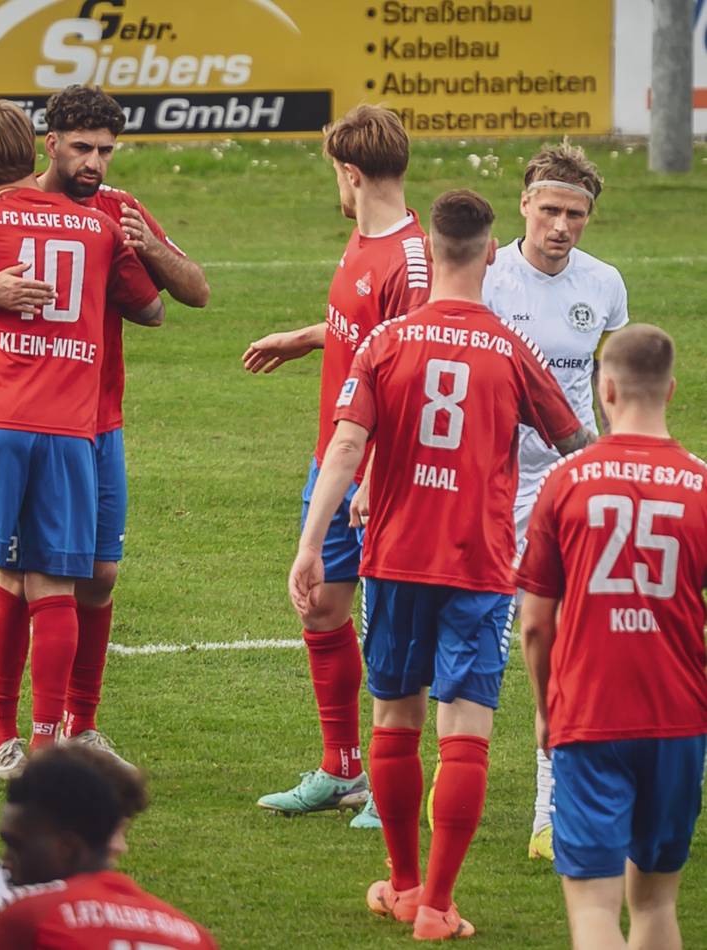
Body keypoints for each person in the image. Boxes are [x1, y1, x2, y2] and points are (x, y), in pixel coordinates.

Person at [290, 189, 592, 939]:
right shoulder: (512, 350)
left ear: (434, 250)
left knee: (394, 720)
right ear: (491, 253)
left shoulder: (388, 341)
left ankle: (401, 883)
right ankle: (438, 906)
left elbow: (348, 447)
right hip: (481, 564)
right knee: (466, 732)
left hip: (393, 558)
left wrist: (310, 540)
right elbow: (575, 449)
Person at [0, 85, 209, 781]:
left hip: (97, 424)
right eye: (82, 148)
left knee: (98, 574)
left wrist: (149, 251)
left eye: (107, 151)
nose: (96, 163)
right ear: (48, 144)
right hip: (38, 421)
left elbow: (193, 292)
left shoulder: (118, 210)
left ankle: (80, 725)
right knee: (20, 576)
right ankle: (4, 733)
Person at [242, 104, 431, 827]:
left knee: (389, 629)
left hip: (377, 473)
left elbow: (412, 374)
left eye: (337, 177)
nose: (339, 189)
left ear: (351, 172)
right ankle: (341, 768)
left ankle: (389, 784)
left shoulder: (411, 262)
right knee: (320, 605)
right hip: (335, 460)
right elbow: (369, 337)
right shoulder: (362, 239)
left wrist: (375, 476)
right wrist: (310, 336)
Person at [516, 324, 707, 950]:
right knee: (654, 904)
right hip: (678, 721)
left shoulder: (565, 483)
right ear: (671, 390)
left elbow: (537, 623)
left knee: (595, 909)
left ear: (607, 388)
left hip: (590, 715)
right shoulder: (703, 486)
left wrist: (547, 712)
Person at [481, 140, 629, 861]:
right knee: (478, 642)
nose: (562, 226)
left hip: (568, 487)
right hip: (483, 484)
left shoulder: (603, 285)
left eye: (575, 214)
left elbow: (612, 385)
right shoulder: (486, 277)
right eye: (550, 210)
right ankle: (419, 787)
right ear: (525, 205)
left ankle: (550, 808)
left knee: (563, 649)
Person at [0, 746, 217, 949]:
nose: (6, 862)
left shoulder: (28, 919)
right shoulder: (193, 936)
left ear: (67, 848)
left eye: (16, 845)